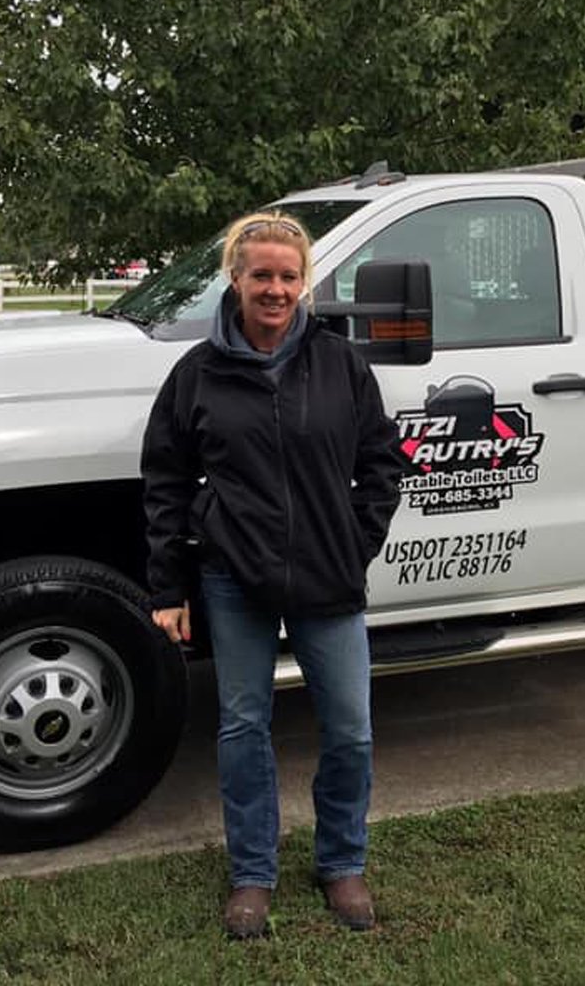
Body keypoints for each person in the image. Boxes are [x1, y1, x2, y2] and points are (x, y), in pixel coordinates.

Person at [140, 211, 406, 939]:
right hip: (234, 577)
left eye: (289, 277)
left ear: (304, 283)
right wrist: (169, 585)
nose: (276, 289)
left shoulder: (341, 364)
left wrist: (355, 542)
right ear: (236, 279)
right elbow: (165, 480)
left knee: (350, 729)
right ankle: (252, 874)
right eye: (262, 275)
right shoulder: (197, 374)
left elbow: (382, 462)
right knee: (243, 727)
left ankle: (341, 862)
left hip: (328, 575)